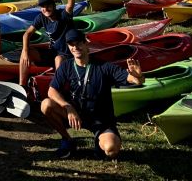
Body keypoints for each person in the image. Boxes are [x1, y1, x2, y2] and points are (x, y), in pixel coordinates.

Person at [42, 29, 144, 159]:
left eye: (78, 43)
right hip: (76, 114)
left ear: (86, 44)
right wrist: (68, 107)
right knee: (46, 105)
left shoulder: (104, 66)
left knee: (111, 149)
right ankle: (68, 140)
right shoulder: (66, 65)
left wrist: (138, 77)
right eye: (71, 44)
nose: (75, 47)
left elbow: (134, 80)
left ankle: (99, 141)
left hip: (100, 120)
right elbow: (52, 90)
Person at [18, 0, 76, 87]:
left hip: (66, 55)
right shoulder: (41, 17)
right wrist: (25, 51)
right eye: (43, 7)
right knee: (26, 52)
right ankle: (22, 86)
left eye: (48, 5)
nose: (46, 9)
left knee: (58, 59)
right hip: (52, 53)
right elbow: (27, 34)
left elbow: (70, 6)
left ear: (54, 5)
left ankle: (58, 88)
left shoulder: (63, 16)